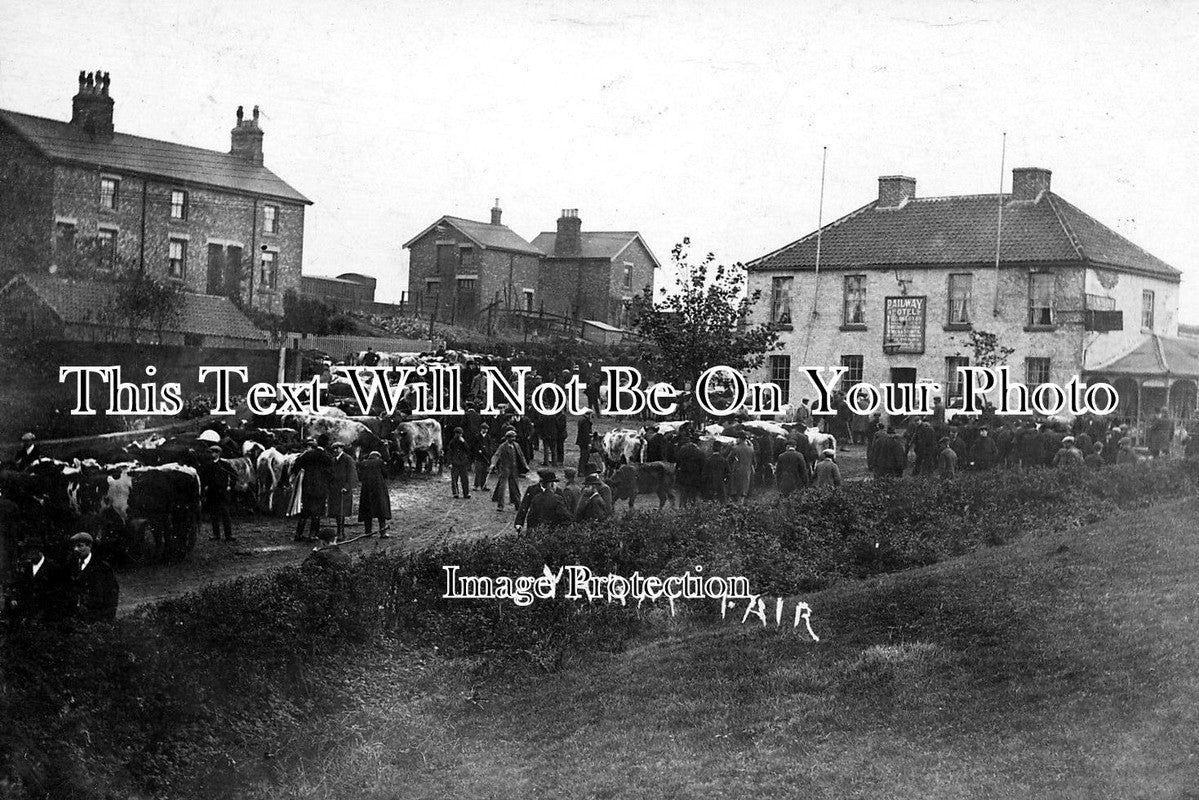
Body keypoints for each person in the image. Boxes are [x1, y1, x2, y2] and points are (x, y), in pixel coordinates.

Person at [5, 538, 65, 630]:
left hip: (44, 613)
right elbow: (18, 584)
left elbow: (56, 593)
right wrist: (14, 598)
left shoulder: (53, 567)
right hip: (26, 609)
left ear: (38, 551)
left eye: (29, 551)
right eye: (26, 551)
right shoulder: (26, 566)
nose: (26, 555)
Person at [67, 532, 119, 624]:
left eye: (80, 546)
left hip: (97, 617)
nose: (76, 549)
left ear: (89, 546)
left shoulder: (102, 567)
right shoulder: (70, 565)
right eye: (74, 546)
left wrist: (107, 617)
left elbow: (112, 594)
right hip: (75, 618)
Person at [291, 438, 334, 542]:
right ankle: (313, 535)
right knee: (317, 512)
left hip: (307, 487)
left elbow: (296, 466)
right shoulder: (328, 457)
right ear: (327, 445)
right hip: (321, 489)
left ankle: (298, 534)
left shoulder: (308, 454)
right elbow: (332, 474)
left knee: (305, 511)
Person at [199, 444, 237, 542]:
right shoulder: (208, 465)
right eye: (211, 452)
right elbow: (203, 478)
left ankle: (228, 536)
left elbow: (234, 475)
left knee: (225, 514)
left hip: (223, 492)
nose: (213, 454)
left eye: (215, 452)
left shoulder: (224, 464)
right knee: (214, 515)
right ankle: (216, 535)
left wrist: (230, 486)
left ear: (219, 453)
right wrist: (205, 486)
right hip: (212, 493)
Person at [489, 430, 528, 512]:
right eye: (512, 437)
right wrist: (493, 464)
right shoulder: (502, 446)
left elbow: (521, 456)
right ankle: (500, 505)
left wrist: (525, 466)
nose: (514, 439)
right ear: (507, 438)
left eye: (514, 437)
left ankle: (518, 505)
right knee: (502, 487)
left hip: (514, 469)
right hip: (504, 469)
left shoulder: (516, 445)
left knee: (515, 487)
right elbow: (496, 455)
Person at [328, 442, 358, 542]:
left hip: (343, 490)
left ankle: (341, 533)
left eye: (337, 448)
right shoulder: (333, 460)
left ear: (342, 448)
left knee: (342, 511)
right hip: (334, 489)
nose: (335, 451)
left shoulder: (348, 459)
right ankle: (338, 531)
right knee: (336, 511)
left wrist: (347, 486)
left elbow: (352, 474)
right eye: (334, 449)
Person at [357, 450, 391, 538]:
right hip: (379, 489)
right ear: (378, 456)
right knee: (381, 509)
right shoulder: (380, 462)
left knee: (367, 510)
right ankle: (383, 532)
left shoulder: (363, 463)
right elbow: (386, 474)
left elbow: (360, 477)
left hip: (366, 489)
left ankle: (368, 532)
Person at [727, 434, 756, 504]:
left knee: (736, 486)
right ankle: (741, 503)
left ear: (740, 439)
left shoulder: (735, 448)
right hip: (747, 471)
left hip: (737, 469)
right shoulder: (751, 449)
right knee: (744, 487)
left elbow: (729, 459)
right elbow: (754, 461)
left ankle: (734, 504)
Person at [447, 427, 472, 499]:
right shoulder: (452, 442)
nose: (459, 435)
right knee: (454, 479)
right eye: (458, 434)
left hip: (463, 462)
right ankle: (455, 493)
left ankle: (466, 493)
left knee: (465, 479)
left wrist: (464, 442)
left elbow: (468, 450)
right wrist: (450, 463)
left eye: (460, 434)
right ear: (455, 434)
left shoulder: (464, 442)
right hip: (455, 463)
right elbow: (449, 453)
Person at [473, 423, 495, 491]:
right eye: (484, 429)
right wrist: (477, 450)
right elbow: (473, 446)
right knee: (478, 471)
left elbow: (490, 446)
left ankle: (484, 485)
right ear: (481, 429)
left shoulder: (488, 437)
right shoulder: (477, 436)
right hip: (479, 457)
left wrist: (489, 453)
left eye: (486, 429)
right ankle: (476, 485)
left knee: (484, 472)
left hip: (486, 457)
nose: (485, 430)